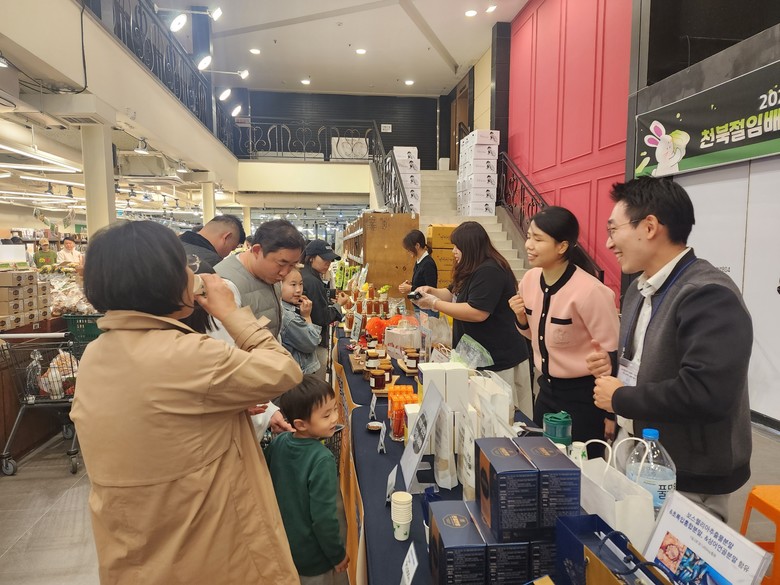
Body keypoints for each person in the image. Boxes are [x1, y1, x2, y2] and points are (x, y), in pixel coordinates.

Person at [70, 220, 303, 585]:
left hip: (136, 552)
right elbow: (284, 370)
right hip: (208, 551)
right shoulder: (189, 354)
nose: (192, 273)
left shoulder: (96, 354)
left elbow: (156, 420)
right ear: (162, 279)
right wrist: (230, 312)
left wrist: (221, 405)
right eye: (184, 266)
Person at [585, 176, 753, 521]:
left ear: (649, 227)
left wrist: (620, 398)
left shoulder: (708, 294)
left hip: (684, 471)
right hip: (636, 450)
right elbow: (652, 358)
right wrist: (613, 364)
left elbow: (708, 393)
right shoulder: (639, 289)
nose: (608, 242)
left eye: (614, 229)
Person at [509, 206, 619, 457]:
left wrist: (611, 413)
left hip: (584, 399)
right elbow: (535, 337)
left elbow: (611, 353)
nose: (529, 245)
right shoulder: (529, 281)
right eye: (529, 236)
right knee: (541, 459)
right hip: (546, 392)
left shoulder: (591, 292)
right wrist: (521, 319)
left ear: (562, 246)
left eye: (538, 239)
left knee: (581, 468)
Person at [412, 221, 533, 416]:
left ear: (470, 246)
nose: (453, 251)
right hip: (475, 357)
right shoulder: (470, 267)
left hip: (498, 360)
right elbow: (452, 294)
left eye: (457, 247)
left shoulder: (490, 270)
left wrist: (434, 303)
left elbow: (477, 312)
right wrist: (431, 291)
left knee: (501, 417)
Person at [265, 375, 349, 585]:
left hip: (283, 546)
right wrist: (337, 554)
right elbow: (324, 518)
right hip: (314, 558)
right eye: (326, 415)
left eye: (335, 409)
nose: (335, 418)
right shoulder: (322, 459)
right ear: (301, 424)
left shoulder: (279, 442)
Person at [215, 219, 305, 339]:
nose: (285, 273)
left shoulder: (273, 278)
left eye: (292, 265)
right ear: (257, 251)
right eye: (281, 264)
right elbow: (224, 344)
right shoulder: (226, 284)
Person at [301, 240, 349, 380]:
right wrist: (339, 305)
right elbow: (322, 318)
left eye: (330, 259)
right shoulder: (313, 281)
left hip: (305, 340)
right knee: (316, 383)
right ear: (311, 258)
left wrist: (329, 296)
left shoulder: (306, 275)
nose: (328, 263)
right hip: (315, 343)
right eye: (324, 259)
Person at [281, 266, 322, 375]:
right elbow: (311, 343)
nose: (299, 290)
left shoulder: (287, 308)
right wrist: (307, 316)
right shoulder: (289, 318)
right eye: (293, 285)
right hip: (300, 374)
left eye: (301, 284)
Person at [180, 214, 245, 273]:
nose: (228, 253)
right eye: (232, 248)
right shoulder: (213, 262)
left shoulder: (175, 245)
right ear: (226, 237)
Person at [398, 229, 439, 318]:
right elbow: (421, 283)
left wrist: (410, 288)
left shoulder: (428, 263)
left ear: (417, 245)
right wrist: (411, 284)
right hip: (420, 306)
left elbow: (430, 289)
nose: (408, 251)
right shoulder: (419, 261)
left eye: (409, 249)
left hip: (427, 309)